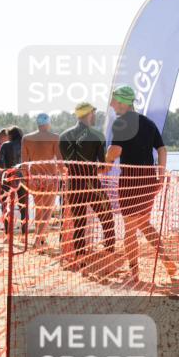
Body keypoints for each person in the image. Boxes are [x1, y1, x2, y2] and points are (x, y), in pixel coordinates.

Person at [106, 85, 178, 287]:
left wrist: (105, 164)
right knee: (144, 224)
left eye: (114, 101)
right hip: (149, 181)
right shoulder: (148, 123)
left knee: (129, 229)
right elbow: (162, 148)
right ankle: (167, 261)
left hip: (130, 182)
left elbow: (115, 150)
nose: (111, 104)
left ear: (123, 102)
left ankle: (135, 274)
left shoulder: (120, 122)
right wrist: (161, 175)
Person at [60, 101, 116, 271]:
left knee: (79, 223)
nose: (95, 116)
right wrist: (110, 162)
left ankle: (80, 258)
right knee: (107, 217)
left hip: (73, 185)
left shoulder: (63, 136)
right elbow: (102, 166)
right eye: (93, 113)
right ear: (88, 114)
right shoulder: (97, 135)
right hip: (91, 183)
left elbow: (67, 164)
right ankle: (109, 254)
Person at [22, 113, 62, 244]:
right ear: (48, 123)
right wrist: (64, 173)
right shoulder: (55, 137)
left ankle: (42, 236)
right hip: (50, 176)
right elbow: (60, 160)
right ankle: (38, 240)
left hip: (34, 177)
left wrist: (26, 179)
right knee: (48, 208)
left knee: (39, 207)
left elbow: (24, 163)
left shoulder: (26, 138)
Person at [0, 126, 27, 238]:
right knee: (23, 207)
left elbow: (0, 165)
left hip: (7, 179)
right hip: (22, 179)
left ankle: (7, 234)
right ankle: (24, 235)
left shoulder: (5, 145)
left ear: (11, 135)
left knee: (6, 206)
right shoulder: (24, 146)